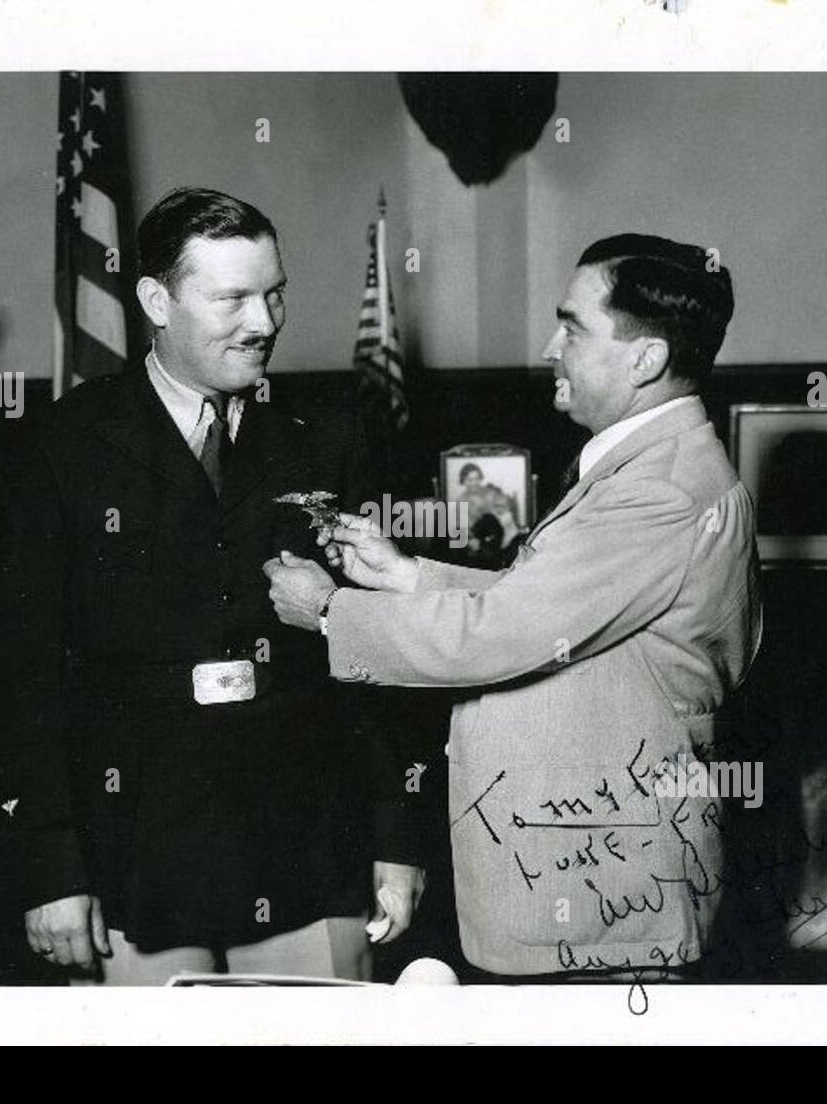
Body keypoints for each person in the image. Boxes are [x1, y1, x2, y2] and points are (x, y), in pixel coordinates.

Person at [265, 233, 762, 977]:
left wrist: (334, 612)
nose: (548, 345)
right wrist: (407, 576)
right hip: (589, 892)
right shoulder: (652, 465)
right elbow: (548, 612)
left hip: (601, 904)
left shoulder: (655, 489)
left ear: (645, 359)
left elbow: (499, 634)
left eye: (572, 325)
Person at [0, 188, 424, 984]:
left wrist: (396, 833)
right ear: (156, 300)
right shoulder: (62, 446)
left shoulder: (330, 436)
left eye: (275, 291)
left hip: (312, 848)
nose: (265, 321)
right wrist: (53, 864)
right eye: (233, 299)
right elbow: (24, 674)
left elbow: (372, 658)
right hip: (134, 858)